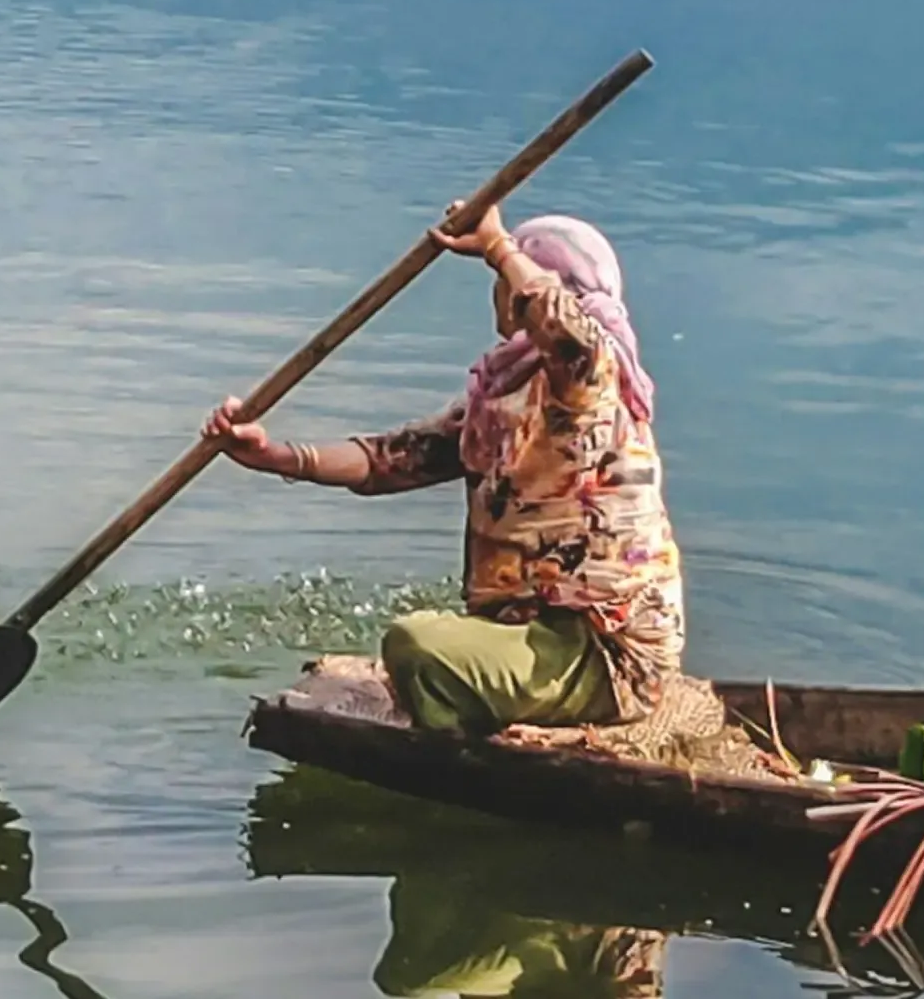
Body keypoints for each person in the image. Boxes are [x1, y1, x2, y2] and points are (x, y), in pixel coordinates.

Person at [206, 206, 681, 739]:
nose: (499, 291)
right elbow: (393, 459)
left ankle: (478, 744)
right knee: (425, 642)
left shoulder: (590, 383)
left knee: (413, 642)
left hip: (601, 653)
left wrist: (500, 247)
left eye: (508, 279)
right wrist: (276, 455)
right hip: (532, 634)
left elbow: (573, 336)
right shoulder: (502, 396)